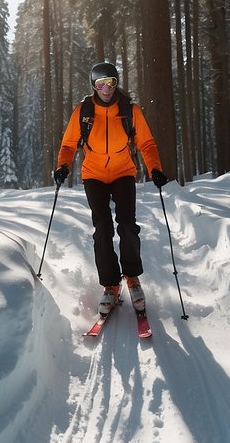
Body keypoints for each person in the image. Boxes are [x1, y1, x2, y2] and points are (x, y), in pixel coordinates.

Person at [54, 62, 169, 316]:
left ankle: (132, 278)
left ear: (117, 84)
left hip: (123, 172)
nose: (106, 88)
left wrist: (155, 169)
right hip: (93, 174)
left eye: (111, 83)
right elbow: (68, 144)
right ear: (93, 86)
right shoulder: (83, 111)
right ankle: (110, 284)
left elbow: (147, 143)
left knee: (127, 224)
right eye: (101, 83)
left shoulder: (129, 110)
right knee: (102, 228)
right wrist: (63, 166)